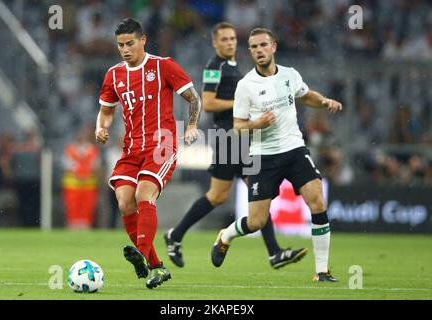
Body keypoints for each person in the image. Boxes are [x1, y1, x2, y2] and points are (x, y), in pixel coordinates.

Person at [164, 22, 307, 269]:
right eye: (224, 39)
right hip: (227, 139)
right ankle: (175, 235)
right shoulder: (214, 67)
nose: (230, 43)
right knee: (219, 196)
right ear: (215, 43)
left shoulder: (232, 66)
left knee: (256, 193)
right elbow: (207, 102)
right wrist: (241, 104)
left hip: (242, 139)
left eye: (232, 38)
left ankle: (274, 253)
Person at [210, 28, 343, 282]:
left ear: (273, 47)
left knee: (317, 201)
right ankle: (226, 235)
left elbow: (306, 96)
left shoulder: (290, 75)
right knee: (257, 221)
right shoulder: (246, 86)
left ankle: (322, 271)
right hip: (263, 156)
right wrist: (257, 124)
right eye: (253, 47)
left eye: (263, 45)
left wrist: (324, 101)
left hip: (294, 150)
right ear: (250, 51)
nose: (258, 50)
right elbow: (238, 125)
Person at [95, 18, 201, 289]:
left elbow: (193, 97)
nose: (125, 49)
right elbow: (106, 111)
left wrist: (191, 126)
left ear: (143, 41)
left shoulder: (163, 65)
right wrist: (101, 128)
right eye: (120, 45)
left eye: (130, 43)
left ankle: (141, 251)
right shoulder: (113, 74)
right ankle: (156, 266)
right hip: (131, 149)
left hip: (161, 145)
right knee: (124, 202)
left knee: (143, 194)